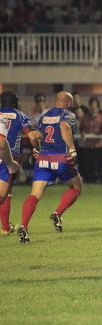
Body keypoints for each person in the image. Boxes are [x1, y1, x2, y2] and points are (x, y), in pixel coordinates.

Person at [17, 92, 82, 243]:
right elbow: (65, 127)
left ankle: (24, 226)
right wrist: (72, 149)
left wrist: (37, 149)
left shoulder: (45, 116)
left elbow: (33, 136)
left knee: (34, 195)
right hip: (60, 158)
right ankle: (57, 213)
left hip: (43, 159)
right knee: (76, 187)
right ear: (68, 103)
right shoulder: (68, 115)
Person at [0, 90, 30, 235]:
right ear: (16, 103)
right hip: (9, 158)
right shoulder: (20, 116)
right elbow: (30, 134)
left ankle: (6, 227)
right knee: (5, 194)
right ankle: (5, 227)